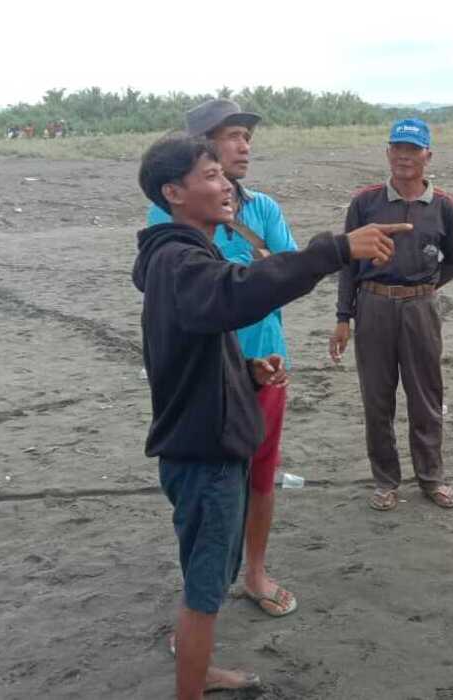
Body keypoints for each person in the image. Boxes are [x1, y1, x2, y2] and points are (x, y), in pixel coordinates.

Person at [134, 135, 408, 698]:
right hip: (203, 452)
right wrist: (335, 250)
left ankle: (200, 666)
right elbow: (240, 291)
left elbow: (199, 341)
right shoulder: (179, 260)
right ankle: (191, 688)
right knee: (206, 587)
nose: (225, 185)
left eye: (223, 174)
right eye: (210, 174)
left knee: (212, 574)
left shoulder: (184, 257)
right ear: (173, 193)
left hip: (207, 441)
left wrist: (249, 370)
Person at [148, 99, 300, 618]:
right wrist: (254, 274)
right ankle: (201, 601)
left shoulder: (263, 208)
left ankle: (254, 571)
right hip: (209, 377)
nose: (244, 146)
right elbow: (173, 291)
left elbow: (287, 274)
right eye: (232, 136)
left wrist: (256, 276)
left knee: (261, 475)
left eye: (246, 136)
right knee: (208, 494)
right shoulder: (169, 215)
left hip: (266, 360)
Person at [329, 118, 453, 511]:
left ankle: (431, 477)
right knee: (377, 397)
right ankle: (385, 481)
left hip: (421, 309)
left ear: (428, 155)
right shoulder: (365, 203)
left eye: (413, 149)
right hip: (372, 307)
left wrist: (424, 288)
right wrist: (343, 317)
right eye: (397, 148)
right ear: (388, 152)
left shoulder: (444, 207)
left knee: (426, 395)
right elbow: (347, 264)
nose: (404, 157)